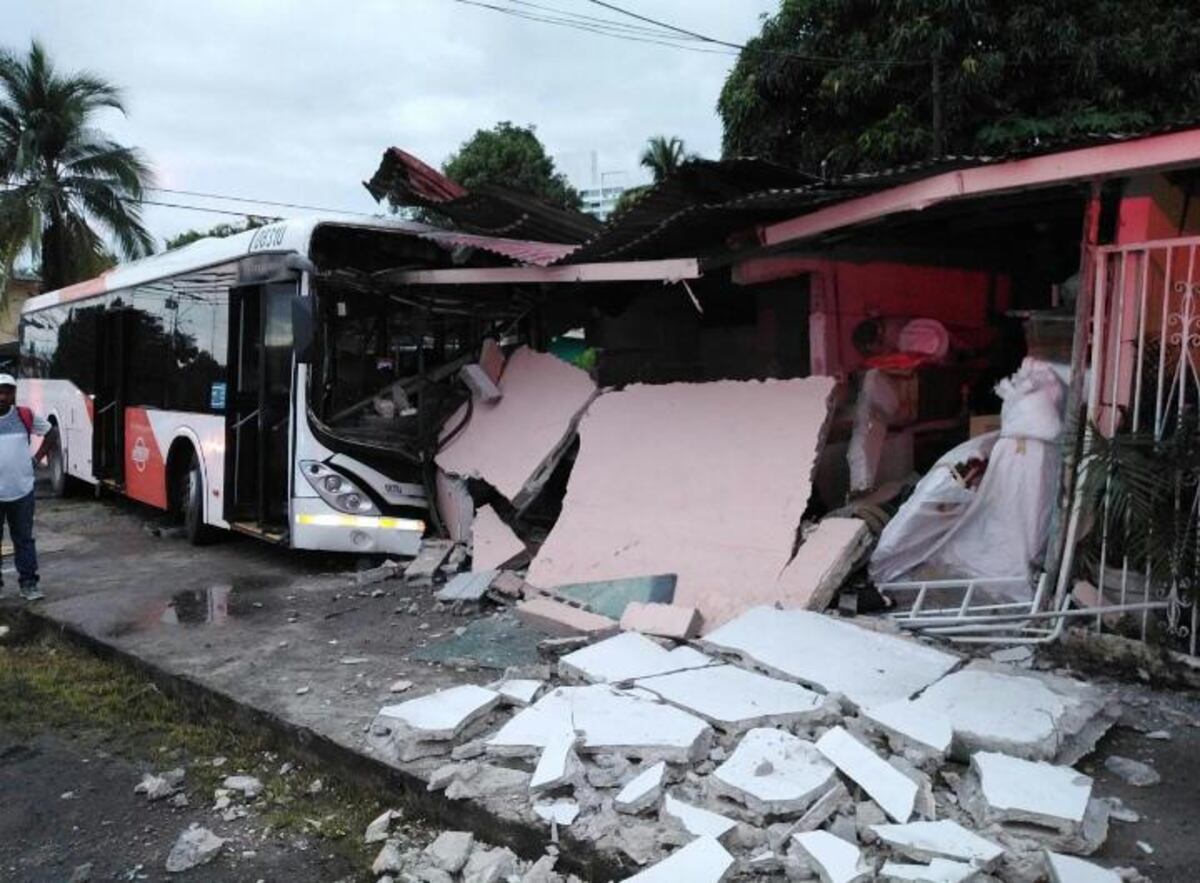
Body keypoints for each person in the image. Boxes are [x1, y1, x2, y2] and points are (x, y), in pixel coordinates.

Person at [0, 374, 56, 601]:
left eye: (7, 391)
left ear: (14, 394)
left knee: (23, 539)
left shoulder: (25, 416)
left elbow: (51, 433)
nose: (2, 396)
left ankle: (29, 584)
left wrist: (36, 459)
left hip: (22, 491)